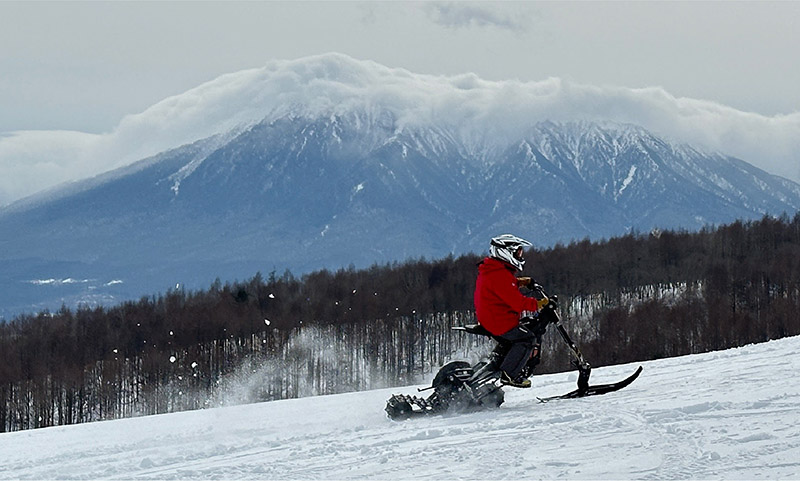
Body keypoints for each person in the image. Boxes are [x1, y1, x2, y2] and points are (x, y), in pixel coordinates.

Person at [474, 234, 548, 388]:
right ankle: (510, 374)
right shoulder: (499, 274)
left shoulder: (494, 269)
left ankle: (504, 362)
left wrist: (521, 282)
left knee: (526, 327)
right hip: (498, 320)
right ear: (506, 252)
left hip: (492, 316)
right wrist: (541, 303)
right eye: (518, 252)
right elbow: (518, 302)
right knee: (527, 339)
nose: (520, 256)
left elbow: (505, 287)